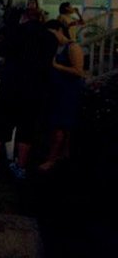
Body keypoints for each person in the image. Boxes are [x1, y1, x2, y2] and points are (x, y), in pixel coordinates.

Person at [0, 9, 57, 179]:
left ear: (24, 18)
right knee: (27, 128)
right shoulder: (50, 38)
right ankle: (20, 165)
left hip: (13, 85)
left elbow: (1, 50)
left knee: (0, 123)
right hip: (36, 89)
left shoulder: (15, 32)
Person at [40, 20, 85, 172]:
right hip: (56, 90)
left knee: (60, 124)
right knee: (59, 125)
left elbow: (78, 71)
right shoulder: (55, 47)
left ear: (59, 30)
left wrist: (56, 66)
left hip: (69, 91)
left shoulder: (72, 47)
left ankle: (52, 159)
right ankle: (63, 156)